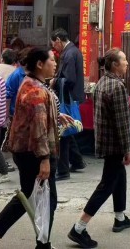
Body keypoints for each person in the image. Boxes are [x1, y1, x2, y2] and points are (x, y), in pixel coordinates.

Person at [0, 48, 73, 249]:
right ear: (40, 64)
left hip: (26, 152)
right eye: (52, 60)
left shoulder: (31, 84)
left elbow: (37, 117)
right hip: (34, 154)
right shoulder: (35, 90)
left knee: (31, 196)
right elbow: (38, 128)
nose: (55, 64)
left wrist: (56, 115)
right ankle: (39, 244)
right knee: (47, 200)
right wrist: (44, 159)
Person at [68, 50, 130, 248]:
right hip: (115, 143)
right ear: (115, 64)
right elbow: (122, 122)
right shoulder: (117, 86)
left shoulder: (101, 83)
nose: (127, 63)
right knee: (107, 184)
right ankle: (79, 227)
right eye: (124, 60)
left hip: (105, 141)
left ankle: (120, 217)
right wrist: (128, 149)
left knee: (119, 176)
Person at [51, 28, 87, 180]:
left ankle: (63, 170)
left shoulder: (69, 54)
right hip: (70, 97)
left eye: (54, 44)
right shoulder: (73, 51)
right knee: (68, 131)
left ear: (58, 40)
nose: (54, 48)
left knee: (63, 134)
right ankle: (77, 162)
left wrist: (55, 81)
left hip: (67, 98)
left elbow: (69, 79)